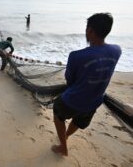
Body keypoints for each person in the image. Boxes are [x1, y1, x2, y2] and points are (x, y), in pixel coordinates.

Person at [52, 13, 121, 157]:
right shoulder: (116, 50)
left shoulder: (76, 56)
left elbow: (70, 81)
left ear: (90, 31)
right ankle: (66, 136)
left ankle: (63, 147)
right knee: (79, 120)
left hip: (74, 100)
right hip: (95, 101)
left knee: (58, 112)